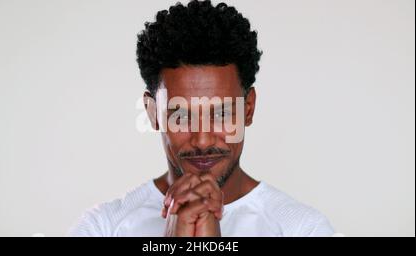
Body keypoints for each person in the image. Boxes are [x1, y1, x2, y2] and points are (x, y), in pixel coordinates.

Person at [69, 0, 335, 237]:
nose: (203, 139)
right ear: (152, 113)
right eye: (182, 116)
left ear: (248, 109)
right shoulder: (101, 227)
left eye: (221, 113)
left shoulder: (304, 229)